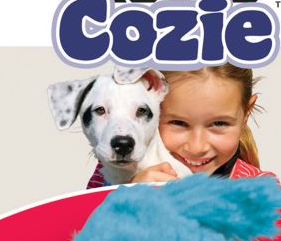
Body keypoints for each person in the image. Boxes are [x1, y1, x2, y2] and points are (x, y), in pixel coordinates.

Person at [86, 63, 271, 188]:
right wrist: (128, 196)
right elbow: (83, 233)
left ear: (246, 113)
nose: (197, 147)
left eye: (219, 123)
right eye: (179, 123)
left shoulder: (261, 192)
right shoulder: (112, 173)